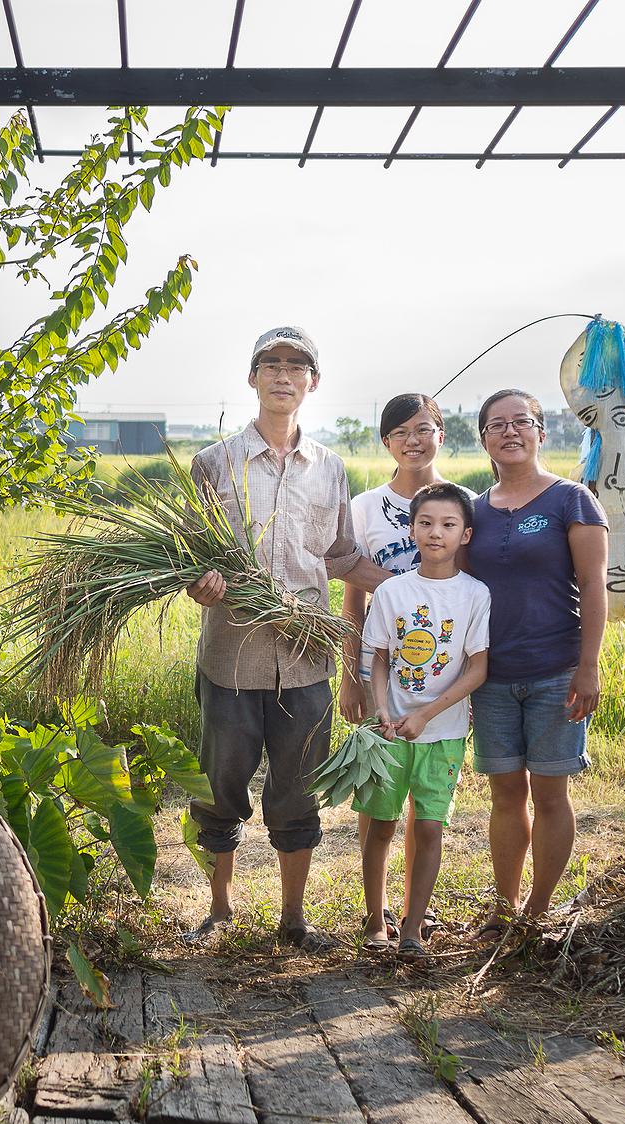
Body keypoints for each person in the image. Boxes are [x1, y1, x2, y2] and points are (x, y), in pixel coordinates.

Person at [183, 325, 389, 951]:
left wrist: (420, 587)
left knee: (299, 792)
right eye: (270, 363)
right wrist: (203, 581)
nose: (282, 374)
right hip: (232, 656)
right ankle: (219, 910)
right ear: (252, 378)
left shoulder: (330, 468)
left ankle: (293, 918)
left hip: (305, 661)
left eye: (296, 366)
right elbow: (191, 557)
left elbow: (339, 555)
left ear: (312, 383)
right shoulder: (213, 463)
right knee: (220, 789)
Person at [463, 388, 608, 935]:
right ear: (483, 440)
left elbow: (595, 585)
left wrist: (588, 665)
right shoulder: (473, 510)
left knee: (550, 792)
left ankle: (539, 908)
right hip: (492, 677)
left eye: (521, 422)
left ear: (541, 433)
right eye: (497, 424)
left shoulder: (571, 499)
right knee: (505, 793)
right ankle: (504, 906)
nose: (510, 432)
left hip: (556, 671)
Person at [340, 393, 472, 944]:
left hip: (444, 676)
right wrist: (351, 674)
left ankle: (414, 914)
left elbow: (469, 596)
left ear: (441, 434)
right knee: (380, 795)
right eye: (400, 432)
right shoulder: (365, 507)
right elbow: (351, 599)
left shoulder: (467, 502)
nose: (413, 440)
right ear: (386, 442)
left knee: (427, 807)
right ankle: (376, 912)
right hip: (383, 672)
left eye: (423, 429)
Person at [358, 483, 490, 956]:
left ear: (466, 534)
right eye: (427, 523)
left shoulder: (475, 595)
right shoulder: (393, 591)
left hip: (444, 733)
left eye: (449, 525)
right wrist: (382, 707)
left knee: (429, 827)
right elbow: (377, 656)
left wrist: (426, 714)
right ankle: (376, 919)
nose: (437, 533)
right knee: (381, 824)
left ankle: (413, 928)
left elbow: (478, 668)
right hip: (390, 733)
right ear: (412, 529)